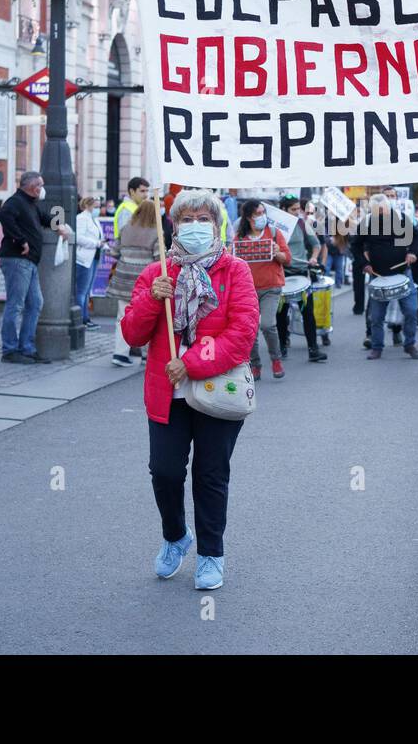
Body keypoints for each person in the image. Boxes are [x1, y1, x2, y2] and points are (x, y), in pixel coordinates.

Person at [121, 189, 258, 592]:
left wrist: (192, 362)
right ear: (173, 225)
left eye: (203, 218)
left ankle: (211, 554)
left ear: (216, 225)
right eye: (187, 218)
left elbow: (242, 332)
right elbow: (132, 332)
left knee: (210, 474)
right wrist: (151, 298)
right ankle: (176, 537)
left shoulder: (235, 271)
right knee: (164, 472)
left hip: (218, 388)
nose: (195, 225)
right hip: (167, 393)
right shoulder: (158, 273)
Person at [0, 171, 72, 364]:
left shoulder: (31, 205)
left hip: (29, 262)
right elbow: (4, 216)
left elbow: (46, 218)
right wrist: (20, 240)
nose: (42, 189)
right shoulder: (15, 202)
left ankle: (26, 348)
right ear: (33, 186)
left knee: (35, 303)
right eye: (41, 185)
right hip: (16, 260)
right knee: (16, 304)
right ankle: (10, 349)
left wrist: (59, 226)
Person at [361, 192, 418, 361]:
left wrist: (411, 252)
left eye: (383, 211)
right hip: (379, 276)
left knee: (411, 310)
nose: (381, 215)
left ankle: (410, 344)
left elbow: (417, 237)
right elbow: (356, 244)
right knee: (377, 316)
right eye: (377, 212)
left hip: (402, 273)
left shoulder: (401, 219)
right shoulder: (366, 223)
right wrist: (364, 264)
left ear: (389, 208)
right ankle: (377, 347)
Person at [233, 199, 290, 380]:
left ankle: (276, 359)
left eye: (264, 212)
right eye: (258, 213)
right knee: (250, 329)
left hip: (271, 287)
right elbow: (232, 259)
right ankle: (255, 363)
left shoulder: (273, 233)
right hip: (247, 289)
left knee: (267, 324)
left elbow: (287, 258)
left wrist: (277, 252)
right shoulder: (240, 237)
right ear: (249, 216)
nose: (262, 216)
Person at [105, 200, 159, 367]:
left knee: (122, 316)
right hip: (144, 280)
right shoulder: (156, 233)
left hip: (123, 279)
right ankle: (146, 356)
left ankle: (120, 354)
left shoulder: (125, 229)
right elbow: (159, 258)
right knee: (148, 317)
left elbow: (114, 252)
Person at [276, 194, 327, 363]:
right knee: (281, 313)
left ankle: (313, 349)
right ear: (283, 210)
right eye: (294, 209)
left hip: (301, 273)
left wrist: (313, 257)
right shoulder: (274, 228)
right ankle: (282, 346)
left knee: (308, 312)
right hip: (281, 274)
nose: (298, 212)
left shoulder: (302, 224)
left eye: (299, 209)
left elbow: (316, 245)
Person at [74, 196, 106, 330]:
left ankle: (86, 318)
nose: (98, 209)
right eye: (96, 207)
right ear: (88, 206)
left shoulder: (94, 219)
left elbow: (99, 237)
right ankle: (81, 319)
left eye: (99, 206)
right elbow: (79, 237)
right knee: (82, 291)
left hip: (94, 257)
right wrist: (96, 243)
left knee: (87, 291)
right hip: (84, 258)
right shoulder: (81, 218)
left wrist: (104, 245)